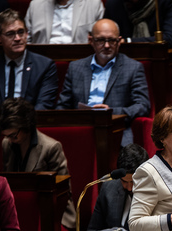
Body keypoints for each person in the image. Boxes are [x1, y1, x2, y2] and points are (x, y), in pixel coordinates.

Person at [56, 18, 150, 146]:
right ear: (91, 41)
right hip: (80, 130)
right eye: (101, 40)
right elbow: (62, 107)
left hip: (114, 131)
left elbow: (142, 106)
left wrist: (110, 111)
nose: (106, 46)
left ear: (119, 41)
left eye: (111, 40)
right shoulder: (75, 68)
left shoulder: (133, 68)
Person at [0, 97, 77, 229]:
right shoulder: (7, 144)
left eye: (13, 135)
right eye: (6, 136)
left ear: (26, 125)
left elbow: (63, 193)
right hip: (19, 210)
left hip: (51, 213)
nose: (9, 140)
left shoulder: (51, 147)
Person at [0, 9, 58, 111]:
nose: (17, 38)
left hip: (32, 123)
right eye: (10, 34)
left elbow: (44, 106)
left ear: (27, 33)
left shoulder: (44, 66)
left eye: (21, 32)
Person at [85, 143, 148, 231]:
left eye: (134, 182)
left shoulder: (157, 192)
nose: (129, 188)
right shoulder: (108, 189)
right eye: (124, 182)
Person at [25, 0, 105, 44]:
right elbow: (26, 40)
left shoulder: (94, 4)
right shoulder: (35, 5)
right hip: (43, 61)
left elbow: (102, 40)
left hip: (81, 60)